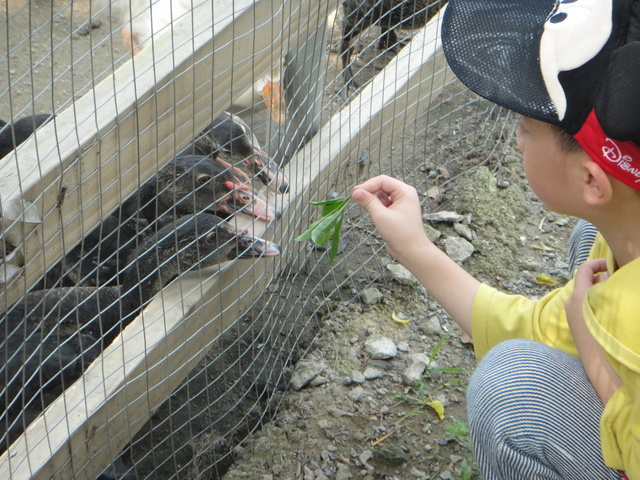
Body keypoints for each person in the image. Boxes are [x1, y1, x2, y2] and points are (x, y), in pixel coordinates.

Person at [351, 0, 640, 478]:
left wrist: (593, 351)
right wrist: (415, 248)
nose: (518, 137)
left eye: (527, 127)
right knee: (590, 233)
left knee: (509, 386)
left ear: (593, 181)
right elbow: (535, 328)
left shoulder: (630, 316)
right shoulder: (622, 238)